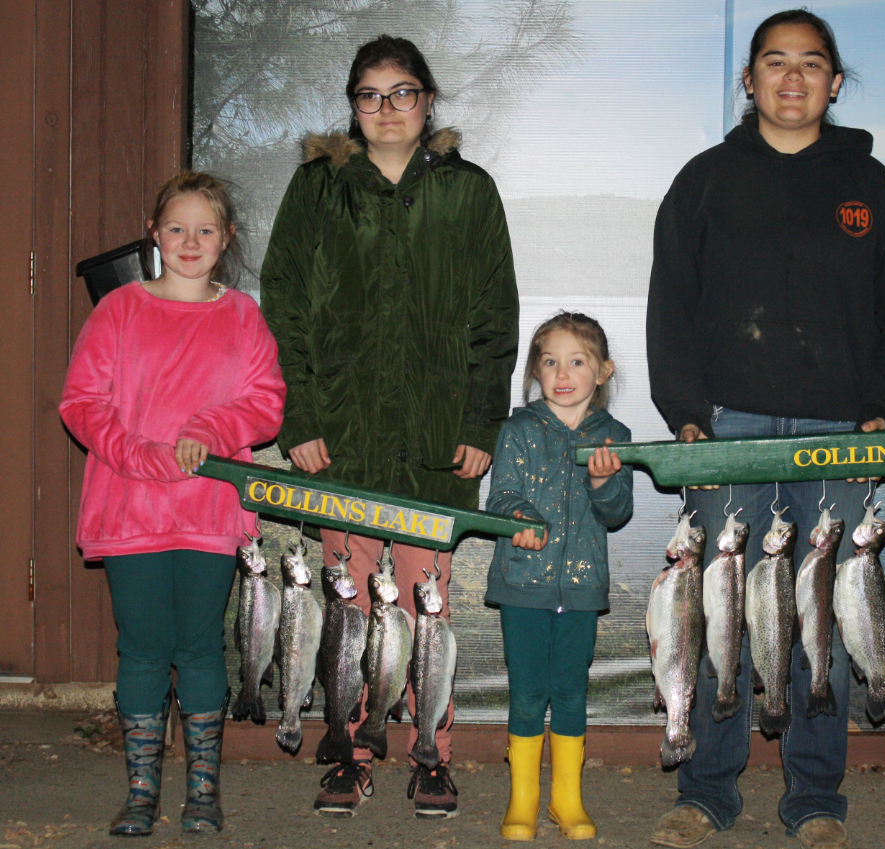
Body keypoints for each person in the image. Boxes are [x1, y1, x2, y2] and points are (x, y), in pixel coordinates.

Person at [645, 10, 885, 849]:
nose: (794, 78)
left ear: (835, 83)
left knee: (832, 618)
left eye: (812, 64)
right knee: (719, 614)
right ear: (750, 80)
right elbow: (670, 309)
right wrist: (689, 414)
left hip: (842, 429)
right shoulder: (702, 180)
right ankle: (705, 791)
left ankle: (815, 797)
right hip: (726, 427)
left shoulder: (871, 186)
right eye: (776, 62)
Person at [259, 34, 519, 818]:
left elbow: (494, 315)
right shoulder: (317, 189)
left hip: (440, 438)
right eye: (369, 96)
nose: (386, 109)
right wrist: (297, 414)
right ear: (353, 107)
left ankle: (431, 754)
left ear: (428, 100)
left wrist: (481, 418)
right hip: (340, 435)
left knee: (425, 604)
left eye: (402, 92)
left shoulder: (468, 192)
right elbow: (285, 306)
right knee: (347, 606)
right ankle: (349, 752)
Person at [60, 171, 286, 837]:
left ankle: (203, 790)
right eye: (178, 228)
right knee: (143, 648)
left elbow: (264, 400)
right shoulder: (119, 311)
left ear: (227, 239)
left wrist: (209, 432)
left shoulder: (243, 316)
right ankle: (139, 791)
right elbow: (83, 402)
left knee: (199, 645)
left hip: (209, 511)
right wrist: (134, 451)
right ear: (155, 234)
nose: (191, 241)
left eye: (206, 230)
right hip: (131, 509)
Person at [484, 311, 633, 841]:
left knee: (570, 691)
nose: (563, 373)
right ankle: (522, 797)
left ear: (603, 372)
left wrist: (601, 485)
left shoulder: (614, 435)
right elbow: (501, 495)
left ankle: (565, 799)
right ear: (535, 372)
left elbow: (617, 512)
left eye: (577, 361)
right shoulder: (519, 429)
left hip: (583, 585)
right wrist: (518, 518)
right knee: (527, 693)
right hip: (523, 584)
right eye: (550, 362)